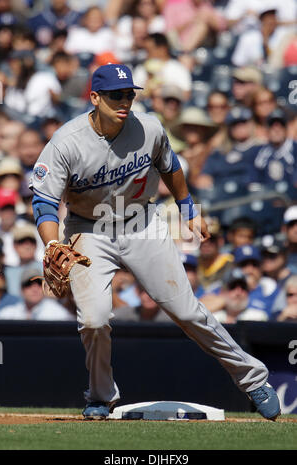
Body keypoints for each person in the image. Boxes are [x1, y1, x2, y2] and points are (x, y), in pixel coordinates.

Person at [29, 63, 280, 421]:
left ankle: (253, 379)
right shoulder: (66, 142)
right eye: (116, 95)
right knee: (95, 320)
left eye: (129, 94)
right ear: (95, 97)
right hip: (89, 228)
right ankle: (101, 395)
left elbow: (170, 164)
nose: (125, 101)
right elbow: (44, 201)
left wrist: (188, 207)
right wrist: (53, 245)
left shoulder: (148, 127)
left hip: (141, 222)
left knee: (186, 311)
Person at [0, 266, 74, 320]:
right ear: (21, 290)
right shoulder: (8, 314)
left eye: (39, 284)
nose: (34, 289)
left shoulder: (59, 314)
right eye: (28, 284)